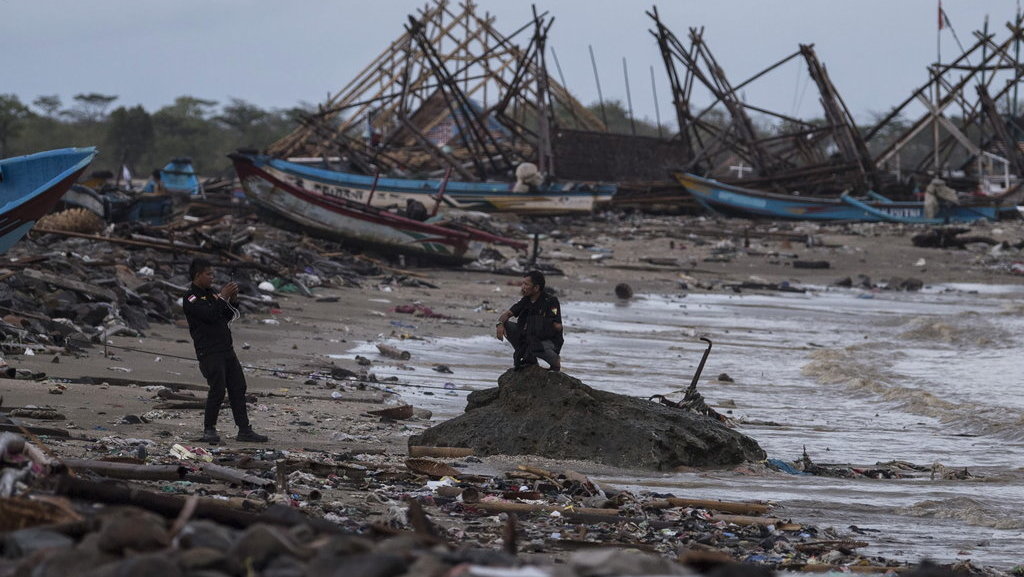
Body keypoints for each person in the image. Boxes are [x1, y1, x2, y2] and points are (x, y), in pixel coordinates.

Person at [183, 258, 268, 443]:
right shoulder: (191, 298)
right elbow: (210, 316)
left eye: (213, 274)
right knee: (218, 389)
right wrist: (222, 297)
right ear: (198, 275)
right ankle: (209, 430)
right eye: (209, 274)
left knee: (238, 387)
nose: (212, 278)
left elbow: (226, 315)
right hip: (209, 351)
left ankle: (244, 430)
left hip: (226, 349)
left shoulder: (212, 294)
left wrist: (232, 300)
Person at [495, 271, 563, 371]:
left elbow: (558, 326)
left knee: (534, 341)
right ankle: (530, 359)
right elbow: (507, 314)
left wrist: (538, 324)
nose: (523, 287)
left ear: (536, 287)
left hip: (548, 341)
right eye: (522, 283)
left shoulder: (550, 301)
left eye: (526, 284)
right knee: (508, 325)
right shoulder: (526, 300)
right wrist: (499, 324)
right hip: (530, 337)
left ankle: (555, 362)